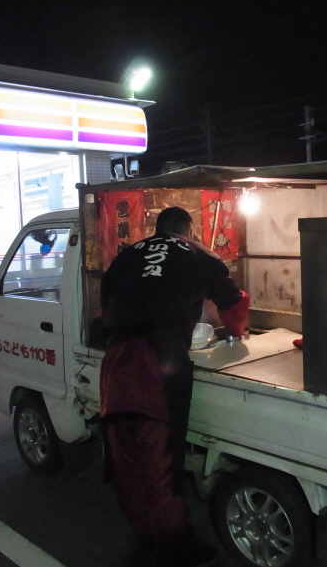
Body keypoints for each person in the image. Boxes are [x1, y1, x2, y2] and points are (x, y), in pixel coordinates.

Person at [99, 206, 249, 567]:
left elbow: (109, 308)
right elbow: (234, 305)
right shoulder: (198, 253)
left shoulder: (124, 257)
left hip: (115, 363)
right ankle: (175, 549)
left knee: (126, 458)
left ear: (157, 229)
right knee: (160, 463)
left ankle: (145, 537)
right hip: (156, 364)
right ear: (190, 230)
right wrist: (237, 332)